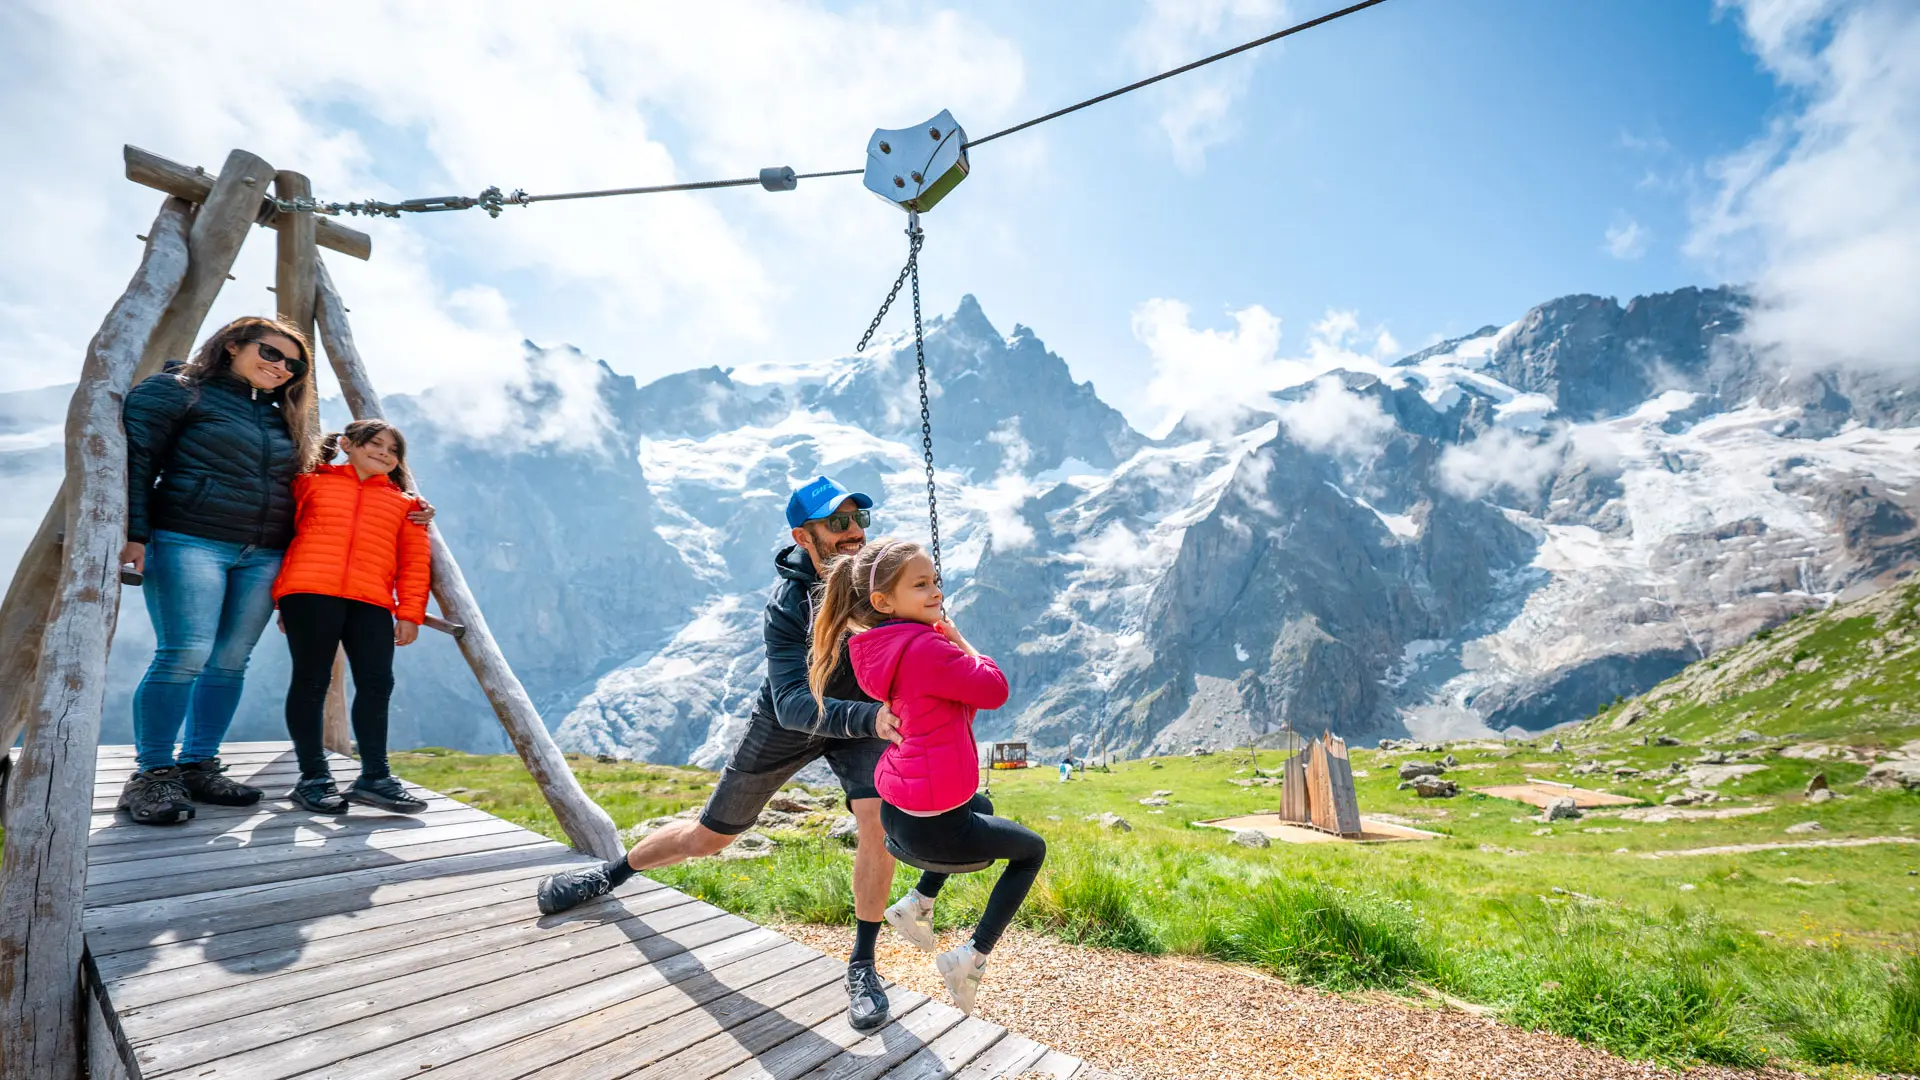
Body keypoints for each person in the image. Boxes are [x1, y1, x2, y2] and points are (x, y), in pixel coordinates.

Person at [535, 476, 904, 1033]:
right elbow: (793, 708)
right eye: (838, 523)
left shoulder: (881, 579)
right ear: (804, 537)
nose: (854, 533)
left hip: (863, 720)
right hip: (792, 723)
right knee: (710, 839)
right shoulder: (787, 606)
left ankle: (862, 964)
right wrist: (870, 716)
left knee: (877, 823)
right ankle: (609, 876)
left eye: (860, 521)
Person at [819, 538, 1046, 1017]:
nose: (935, 592)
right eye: (920, 584)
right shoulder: (926, 648)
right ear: (883, 602)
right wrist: (960, 641)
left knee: (980, 807)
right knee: (1031, 851)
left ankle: (918, 902)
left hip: (896, 816)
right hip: (933, 831)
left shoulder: (881, 648)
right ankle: (972, 958)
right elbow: (994, 689)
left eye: (935, 581)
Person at [116, 317, 320, 825]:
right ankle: (154, 773)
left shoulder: (283, 418)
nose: (281, 368)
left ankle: (198, 763)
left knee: (230, 660)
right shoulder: (178, 391)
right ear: (232, 345)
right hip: (188, 538)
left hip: (265, 553)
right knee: (185, 653)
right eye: (270, 354)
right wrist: (134, 533)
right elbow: (135, 461)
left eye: (293, 365)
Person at [272, 419, 432, 815]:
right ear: (346, 444)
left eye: (393, 450)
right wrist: (280, 599)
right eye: (375, 444)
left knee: (378, 682)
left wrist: (410, 613)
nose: (384, 454)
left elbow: (415, 563)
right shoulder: (309, 483)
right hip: (308, 591)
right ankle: (313, 778)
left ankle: (375, 778)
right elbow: (279, 530)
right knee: (311, 681)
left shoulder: (406, 505)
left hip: (372, 600)